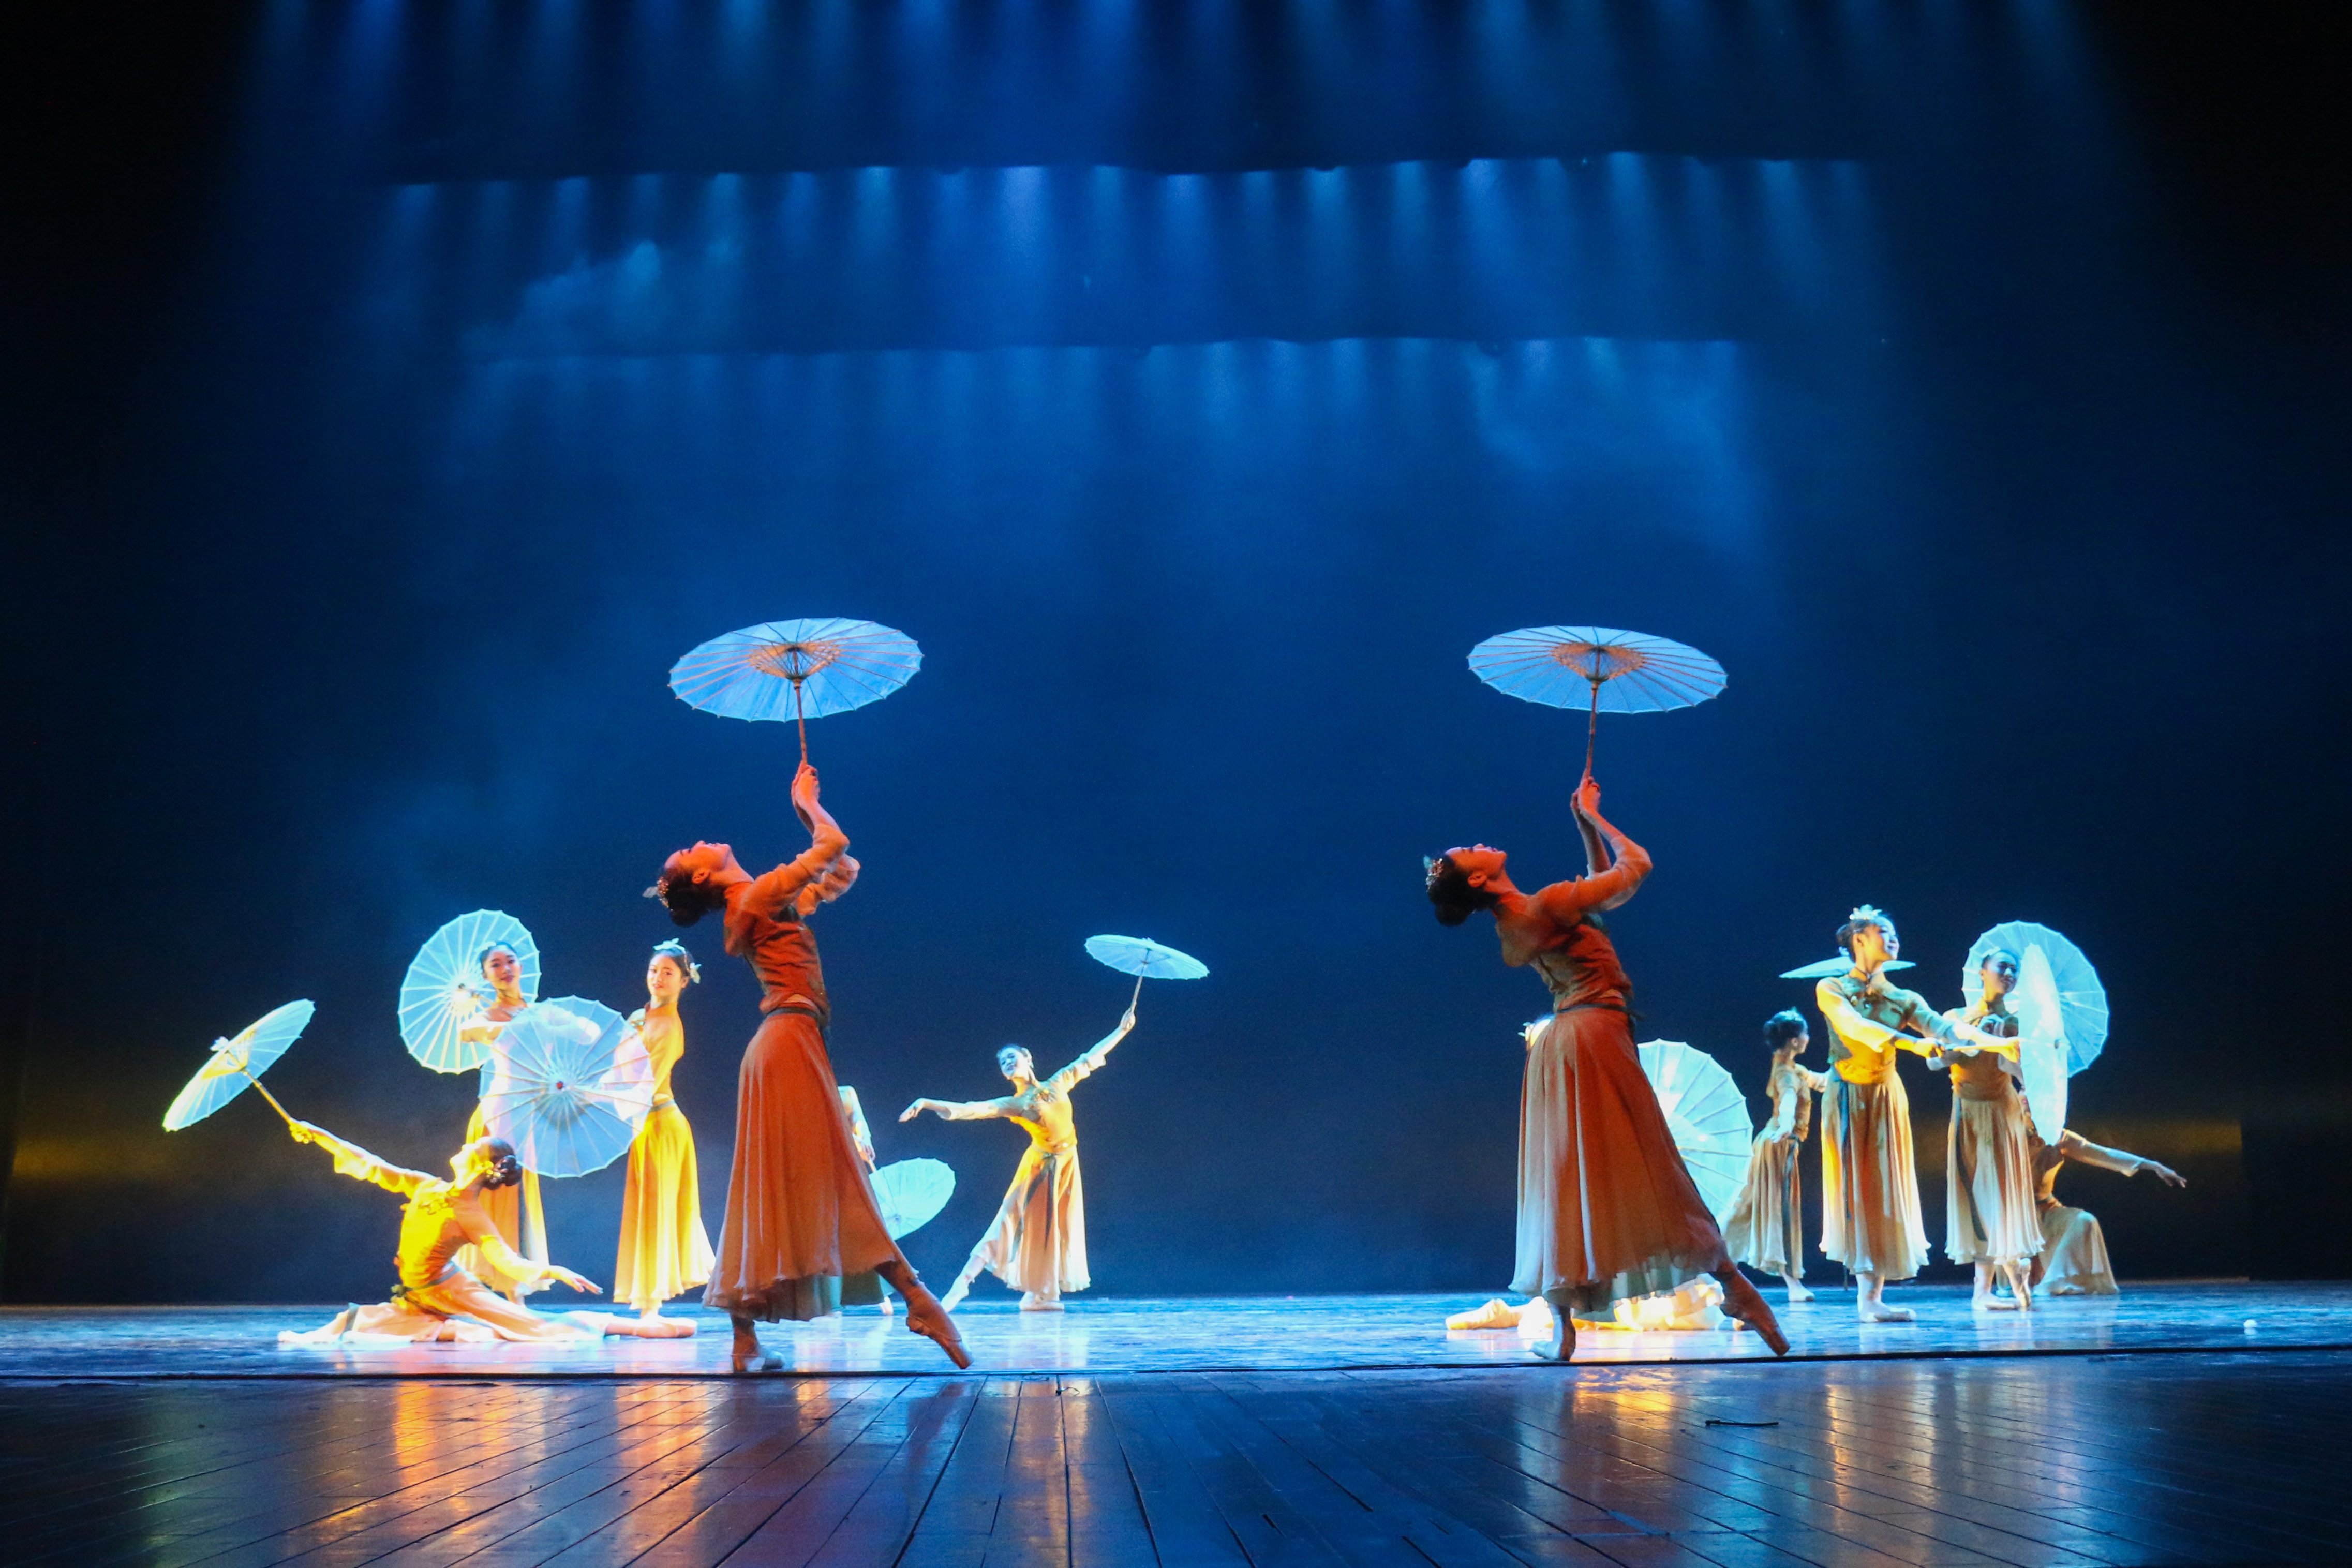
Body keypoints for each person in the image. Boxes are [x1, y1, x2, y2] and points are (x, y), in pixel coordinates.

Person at [1425, 774, 1787, 1362]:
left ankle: (1566, 1326)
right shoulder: (1545, 904)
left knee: (1571, 1175)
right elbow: (1635, 867)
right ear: (1477, 878)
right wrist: (1597, 816)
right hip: (1592, 1035)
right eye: (1468, 851)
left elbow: (1594, 893)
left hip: (1570, 1040)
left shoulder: (1520, 920)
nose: (1476, 842)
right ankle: (1734, 1286)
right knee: (1650, 1162)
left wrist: (1583, 825)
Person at [649, 761, 968, 1371]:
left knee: (780, 1183)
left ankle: (745, 1340)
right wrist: (807, 804)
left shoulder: (764, 896)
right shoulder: (754, 897)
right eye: (690, 851)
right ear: (701, 873)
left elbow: (842, 868)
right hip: (786, 1042)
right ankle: (917, 1297)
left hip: (791, 1042)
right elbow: (834, 843)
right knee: (839, 1174)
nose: (701, 841)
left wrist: (808, 817)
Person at [279, 1121, 690, 1342]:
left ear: (481, 1165)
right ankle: (446, 1327)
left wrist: (553, 1270)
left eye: (471, 1147)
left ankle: (636, 1327)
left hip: (453, 1291)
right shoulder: (426, 1185)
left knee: (533, 1327)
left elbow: (508, 1261)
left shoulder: (471, 1214)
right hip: (421, 1294)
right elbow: (373, 1165)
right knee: (354, 1319)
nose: (463, 1146)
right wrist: (321, 1135)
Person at [1812, 906, 2008, 1322]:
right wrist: (1912, 1043)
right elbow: (1854, 1027)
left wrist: (2003, 1043)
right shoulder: (1831, 988)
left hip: (1886, 1097)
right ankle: (1867, 1299)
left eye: (1895, 932)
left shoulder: (1905, 997)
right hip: (1846, 1095)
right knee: (1857, 1190)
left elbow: (1946, 1028)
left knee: (1885, 1187)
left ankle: (1874, 1298)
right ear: (1859, 939)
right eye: (1883, 931)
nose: (1894, 937)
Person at [900, 1007, 1137, 1312]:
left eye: (1012, 1057)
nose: (1009, 1063)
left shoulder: (1058, 1083)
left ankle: (1039, 1294)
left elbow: (1090, 1058)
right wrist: (927, 1103)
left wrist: (1122, 1030)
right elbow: (973, 1109)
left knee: (1054, 1229)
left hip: (1067, 1164)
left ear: (1028, 1057)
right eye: (1004, 1063)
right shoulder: (1016, 1103)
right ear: (1005, 1074)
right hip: (1039, 1167)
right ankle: (962, 1284)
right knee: (1008, 1220)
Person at [612, 939, 717, 1327]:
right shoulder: (640, 1017)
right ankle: (649, 1303)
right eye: (654, 970)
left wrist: (604, 1095)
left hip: (661, 1123)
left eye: (668, 973)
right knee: (647, 1209)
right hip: (645, 1125)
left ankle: (652, 1305)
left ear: (684, 981)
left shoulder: (670, 1027)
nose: (658, 978)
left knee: (660, 1211)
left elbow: (645, 1083)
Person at [1933, 949, 2041, 1310]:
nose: (2009, 973)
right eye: (2002, 966)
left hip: (2002, 1112)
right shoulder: (1956, 1017)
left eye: (2014, 969)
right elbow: (1936, 1062)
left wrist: (2009, 1051)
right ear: (1982, 972)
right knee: (1976, 1195)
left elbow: (2020, 1072)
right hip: (1967, 1111)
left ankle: (2005, 1274)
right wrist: (1969, 1043)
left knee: (2000, 1194)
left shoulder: (2016, 1022)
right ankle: (1984, 1289)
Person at [454, 942, 549, 1303]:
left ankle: (513, 1289)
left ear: (521, 966)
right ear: (486, 975)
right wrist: (504, 1026)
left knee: (519, 1202)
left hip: (526, 1116)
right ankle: (506, 1295)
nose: (505, 968)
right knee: (491, 1202)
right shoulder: (489, 1015)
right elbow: (468, 1031)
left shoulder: (538, 1014)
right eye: (496, 964)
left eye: (510, 961)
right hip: (496, 1118)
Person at [1721, 1009, 1829, 1300]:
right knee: (1776, 1213)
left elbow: (1822, 1081)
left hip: (1777, 1143)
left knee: (1750, 1207)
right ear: (1794, 1041)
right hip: (1778, 1145)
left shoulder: (1793, 1068)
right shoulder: (1784, 1072)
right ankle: (1792, 1284)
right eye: (1805, 1034)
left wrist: (1850, 1065)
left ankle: (1713, 1262)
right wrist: (1786, 1124)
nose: (1808, 1038)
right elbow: (1789, 1099)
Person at [2026, 1128, 2187, 1295]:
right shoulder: (2009, 1138)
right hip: (2014, 1216)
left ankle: (2055, 1283)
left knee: (2084, 1221)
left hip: (2047, 1211)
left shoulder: (2057, 1136)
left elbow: (2102, 1154)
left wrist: (2154, 1166)